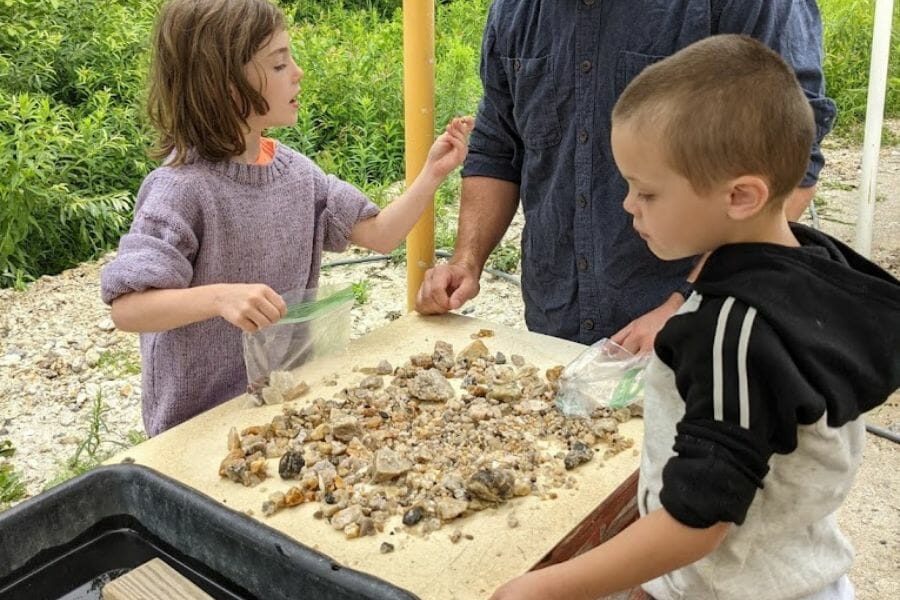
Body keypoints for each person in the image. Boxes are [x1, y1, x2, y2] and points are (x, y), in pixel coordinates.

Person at [490, 34, 900, 600]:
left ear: (740, 197)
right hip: (798, 567)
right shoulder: (812, 268)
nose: (629, 206)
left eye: (646, 191)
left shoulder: (735, 331)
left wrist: (541, 588)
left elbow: (698, 519)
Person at [100, 0, 473, 436]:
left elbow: (380, 235)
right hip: (197, 429)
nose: (297, 72)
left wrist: (433, 174)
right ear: (223, 85)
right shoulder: (181, 188)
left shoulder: (299, 174)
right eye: (279, 65)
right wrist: (220, 298)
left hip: (285, 411)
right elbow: (128, 309)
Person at [416, 0, 837, 354]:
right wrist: (466, 261)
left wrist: (686, 304)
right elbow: (498, 147)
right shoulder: (515, 10)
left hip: (704, 332)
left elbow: (790, 162)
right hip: (555, 320)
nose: (629, 205)